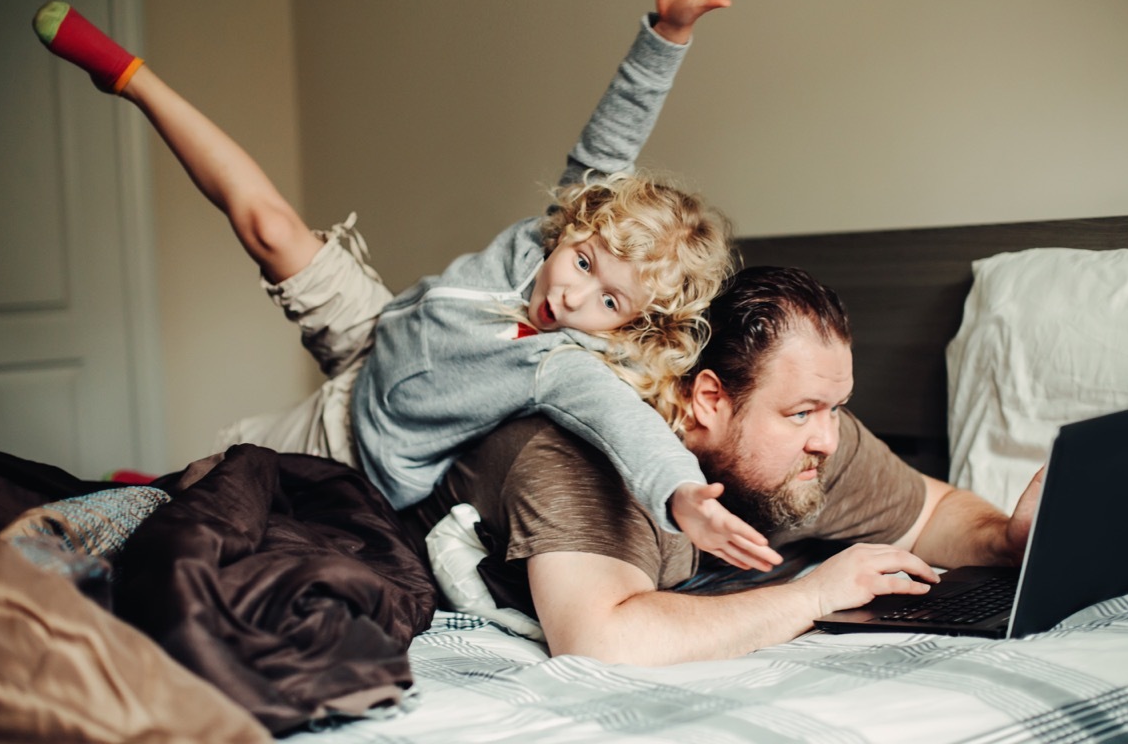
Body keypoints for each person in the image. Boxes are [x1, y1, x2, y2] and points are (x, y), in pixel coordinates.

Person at [31, 0, 783, 571]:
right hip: (373, 327)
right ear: (573, 228)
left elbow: (630, 426)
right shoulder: (547, 232)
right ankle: (131, 78)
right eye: (584, 264)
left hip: (354, 445)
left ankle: (132, 488)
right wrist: (669, 32)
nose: (578, 300)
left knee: (207, 489)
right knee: (270, 228)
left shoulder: (563, 365)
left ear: (632, 325)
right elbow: (615, 132)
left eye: (613, 303)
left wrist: (683, 495)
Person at [400, 265, 1043, 665]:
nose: (828, 438)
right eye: (801, 413)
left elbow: (930, 509)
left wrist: (1005, 539)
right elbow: (600, 640)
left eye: (837, 406)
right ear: (709, 399)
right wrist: (813, 595)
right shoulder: (580, 456)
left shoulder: (817, 440)